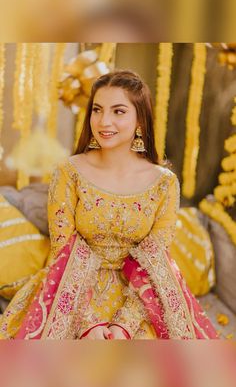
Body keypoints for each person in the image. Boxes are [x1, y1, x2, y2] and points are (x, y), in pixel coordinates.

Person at [0, 70, 218, 339]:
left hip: (138, 301)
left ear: (140, 119)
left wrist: (124, 324)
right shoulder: (70, 172)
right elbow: (62, 250)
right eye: (97, 110)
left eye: (118, 111)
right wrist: (88, 323)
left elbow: (154, 261)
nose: (104, 121)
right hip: (71, 292)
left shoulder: (164, 184)